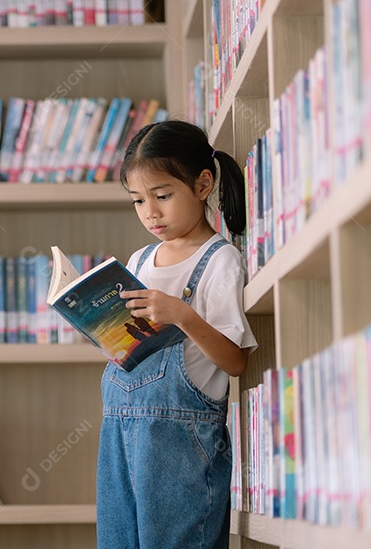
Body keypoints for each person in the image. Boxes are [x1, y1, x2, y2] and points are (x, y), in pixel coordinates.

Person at [97, 119, 257, 549]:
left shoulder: (220, 260)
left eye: (162, 196)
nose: (150, 212)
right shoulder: (139, 260)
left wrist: (183, 316)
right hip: (119, 433)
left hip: (181, 441)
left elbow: (236, 361)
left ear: (202, 185)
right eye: (138, 200)